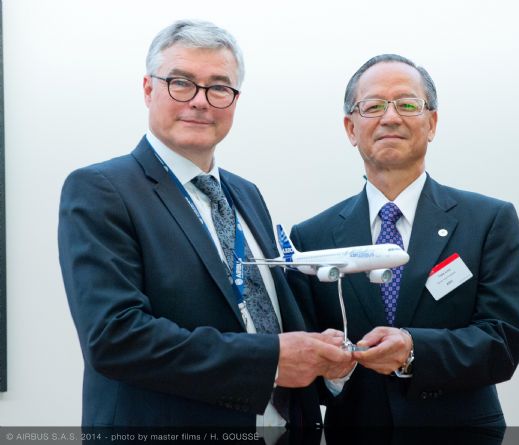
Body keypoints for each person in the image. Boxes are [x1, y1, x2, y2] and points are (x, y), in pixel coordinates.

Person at [58, 20, 353, 428]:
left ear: (234, 99)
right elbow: (115, 339)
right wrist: (269, 361)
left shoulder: (246, 193)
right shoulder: (101, 190)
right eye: (181, 83)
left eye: (218, 87)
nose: (200, 101)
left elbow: (262, 316)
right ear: (148, 89)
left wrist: (323, 358)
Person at [287, 54, 519, 430]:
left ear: (431, 123)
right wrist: (333, 372)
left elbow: (503, 342)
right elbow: (303, 369)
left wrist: (413, 351)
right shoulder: (312, 238)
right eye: (372, 106)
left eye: (407, 104)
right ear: (351, 128)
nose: (390, 117)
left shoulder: (488, 221)